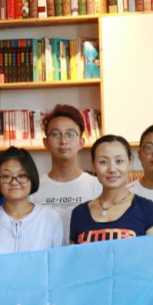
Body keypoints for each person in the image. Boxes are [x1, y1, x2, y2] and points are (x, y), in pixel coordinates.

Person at [70, 135, 153, 243]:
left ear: (130, 163)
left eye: (119, 161)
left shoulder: (147, 210)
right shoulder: (79, 213)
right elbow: (72, 253)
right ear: (93, 165)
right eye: (103, 162)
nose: (112, 169)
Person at [0, 147, 63, 255]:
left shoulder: (50, 218)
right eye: (6, 176)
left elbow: (59, 261)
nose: (14, 182)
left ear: (32, 178)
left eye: (22, 175)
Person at [30, 104, 103, 244]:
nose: (63, 141)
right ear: (46, 142)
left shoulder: (97, 187)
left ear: (81, 142)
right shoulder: (33, 189)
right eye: (55, 134)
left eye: (70, 134)